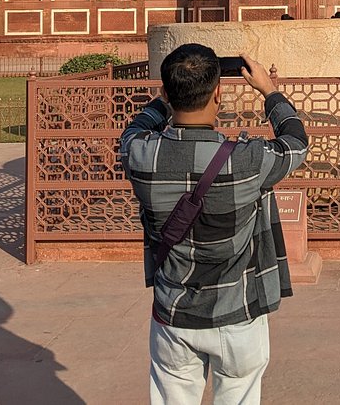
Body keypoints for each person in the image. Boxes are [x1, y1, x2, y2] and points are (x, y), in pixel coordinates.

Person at [120, 45, 308, 405]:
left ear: (166, 92)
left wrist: (165, 99)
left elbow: (135, 128)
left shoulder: (140, 155)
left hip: (173, 311)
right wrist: (270, 91)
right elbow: (296, 143)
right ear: (219, 93)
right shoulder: (247, 160)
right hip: (236, 312)